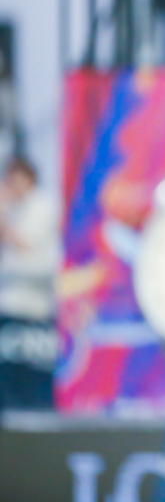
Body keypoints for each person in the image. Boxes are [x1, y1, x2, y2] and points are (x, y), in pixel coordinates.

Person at [0, 157, 61, 409]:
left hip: (34, 312)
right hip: (9, 308)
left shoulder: (41, 207)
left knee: (33, 380)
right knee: (9, 380)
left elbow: (28, 249)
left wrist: (3, 221)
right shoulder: (14, 207)